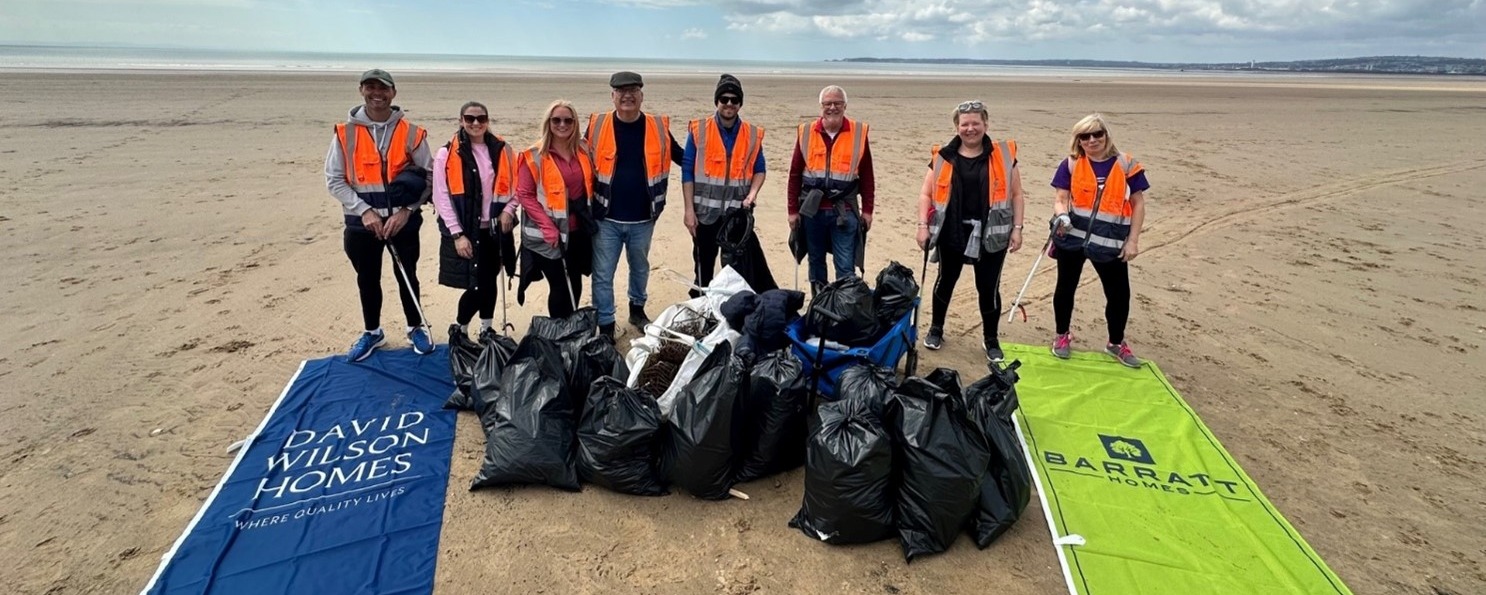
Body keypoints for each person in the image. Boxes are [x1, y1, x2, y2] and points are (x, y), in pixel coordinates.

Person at [324, 68, 434, 362]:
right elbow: (334, 179)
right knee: (367, 279)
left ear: (393, 93)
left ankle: (415, 328)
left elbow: (430, 176)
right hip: (362, 226)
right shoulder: (345, 134)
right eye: (370, 87)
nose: (377, 94)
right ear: (361, 90)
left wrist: (407, 211)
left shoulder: (411, 132)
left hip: (403, 224)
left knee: (407, 276)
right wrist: (365, 212)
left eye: (383, 88)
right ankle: (372, 332)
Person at [914, 100, 1025, 362]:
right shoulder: (942, 156)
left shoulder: (1004, 155)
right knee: (946, 281)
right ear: (957, 127)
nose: (970, 128)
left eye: (976, 123)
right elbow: (925, 194)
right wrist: (922, 226)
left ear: (986, 124)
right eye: (965, 124)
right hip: (952, 231)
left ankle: (991, 339)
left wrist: (1017, 229)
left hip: (991, 233)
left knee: (987, 287)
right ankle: (936, 329)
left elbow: (1017, 195)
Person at [585, 71, 683, 339]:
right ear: (612, 96)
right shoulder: (597, 125)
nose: (627, 95)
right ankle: (605, 324)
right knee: (603, 274)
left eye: (633, 90)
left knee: (639, 267)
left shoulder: (658, 127)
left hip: (643, 217)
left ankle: (637, 310)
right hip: (606, 218)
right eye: (621, 91)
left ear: (641, 95)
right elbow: (576, 158)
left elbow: (683, 158)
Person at [1048, 113, 1150, 368]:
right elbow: (1061, 198)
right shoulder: (1070, 164)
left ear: (1106, 135)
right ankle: (1062, 336)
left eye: (1097, 134)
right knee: (1065, 288)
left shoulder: (1126, 164)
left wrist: (1133, 241)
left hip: (1110, 241)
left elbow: (1138, 204)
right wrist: (1061, 216)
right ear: (1078, 141)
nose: (1092, 140)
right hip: (1072, 239)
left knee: (1118, 294)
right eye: (1085, 136)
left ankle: (1115, 343)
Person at [431, 101, 518, 339]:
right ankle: (460, 327)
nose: (476, 123)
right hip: (466, 230)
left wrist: (509, 210)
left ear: (488, 121)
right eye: (470, 119)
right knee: (476, 284)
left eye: (481, 118)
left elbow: (518, 186)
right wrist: (457, 234)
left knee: (490, 281)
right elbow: (441, 197)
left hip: (495, 229)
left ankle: (486, 328)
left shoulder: (503, 149)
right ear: (461, 121)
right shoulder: (446, 153)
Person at [505, 99, 592, 319]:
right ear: (548, 123)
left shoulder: (583, 149)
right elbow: (525, 194)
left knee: (575, 281)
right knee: (560, 286)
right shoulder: (533, 155)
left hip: (577, 230)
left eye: (568, 120)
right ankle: (558, 331)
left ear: (575, 123)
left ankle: (572, 330)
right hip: (548, 234)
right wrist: (547, 227)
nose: (562, 124)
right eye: (556, 120)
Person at [681, 74, 766, 292]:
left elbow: (759, 170)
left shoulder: (752, 134)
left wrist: (752, 194)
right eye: (724, 99)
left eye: (734, 100)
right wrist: (689, 210)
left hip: (736, 214)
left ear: (740, 103)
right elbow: (687, 172)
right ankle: (702, 306)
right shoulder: (698, 130)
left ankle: (731, 310)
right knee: (703, 267)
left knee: (735, 270)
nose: (729, 103)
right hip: (704, 214)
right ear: (717, 101)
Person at [787, 85, 875, 292]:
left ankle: (845, 309)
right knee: (816, 263)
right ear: (821, 107)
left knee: (845, 265)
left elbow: (867, 176)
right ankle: (820, 307)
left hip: (844, 210)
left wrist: (868, 210)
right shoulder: (806, 132)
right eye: (828, 104)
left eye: (837, 103)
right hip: (811, 211)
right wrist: (792, 211)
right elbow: (794, 175)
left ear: (845, 106)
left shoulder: (858, 133)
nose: (832, 107)